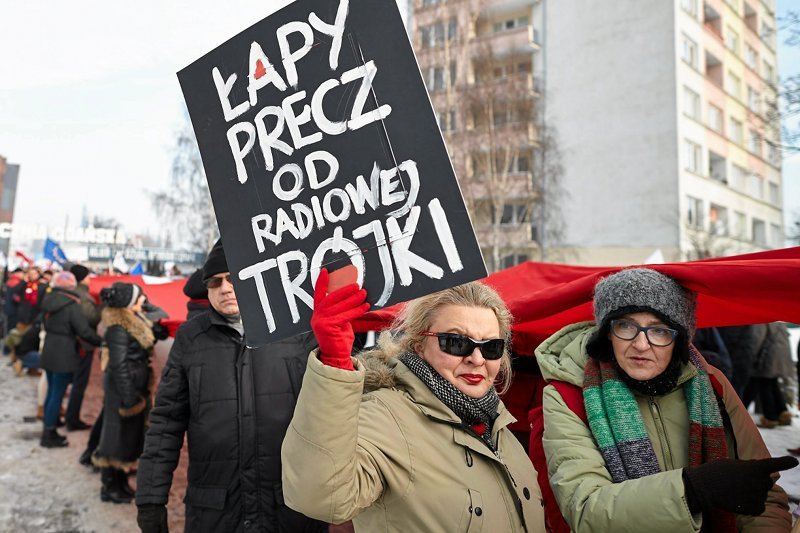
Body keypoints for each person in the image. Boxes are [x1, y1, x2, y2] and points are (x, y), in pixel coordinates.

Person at [281, 273, 546, 532]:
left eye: (490, 347)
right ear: (419, 344)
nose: (476, 359)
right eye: (456, 342)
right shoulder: (385, 416)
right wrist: (335, 363)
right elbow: (322, 497)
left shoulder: (497, 425)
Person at [537, 268, 795, 531]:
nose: (640, 344)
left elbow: (762, 494)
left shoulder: (711, 383)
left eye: (659, 330)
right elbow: (585, 509)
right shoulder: (569, 393)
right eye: (625, 325)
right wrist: (693, 489)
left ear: (679, 337)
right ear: (607, 332)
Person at [135, 239, 326, 533]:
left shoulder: (298, 331)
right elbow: (166, 424)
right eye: (215, 282)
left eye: (233, 277)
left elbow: (334, 410)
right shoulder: (190, 338)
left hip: (289, 509)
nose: (224, 287)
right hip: (216, 512)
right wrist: (150, 499)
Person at [91, 282, 155, 504]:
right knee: (115, 437)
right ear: (129, 302)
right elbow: (118, 366)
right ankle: (109, 486)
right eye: (139, 297)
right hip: (122, 389)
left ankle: (119, 482)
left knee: (125, 437)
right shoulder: (118, 328)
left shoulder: (132, 320)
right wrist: (129, 397)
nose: (143, 300)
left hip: (132, 386)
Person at [39, 272, 103, 448]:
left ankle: (49, 423)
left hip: (50, 349)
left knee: (52, 390)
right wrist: (102, 341)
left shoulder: (49, 299)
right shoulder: (71, 304)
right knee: (57, 393)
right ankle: (49, 433)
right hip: (64, 351)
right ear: (72, 286)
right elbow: (83, 331)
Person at [63, 263, 101, 430]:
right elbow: (91, 319)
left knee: (69, 382)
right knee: (79, 383)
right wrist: (101, 307)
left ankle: (68, 416)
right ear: (84, 278)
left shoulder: (69, 291)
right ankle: (72, 419)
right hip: (83, 345)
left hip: (71, 343)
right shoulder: (83, 296)